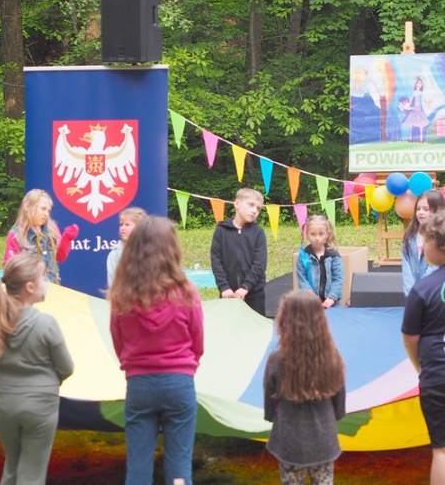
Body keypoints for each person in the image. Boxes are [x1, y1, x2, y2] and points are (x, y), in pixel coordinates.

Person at [109, 216, 204, 485]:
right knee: (179, 469)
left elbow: (118, 340)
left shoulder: (122, 293)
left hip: (138, 384)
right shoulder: (187, 292)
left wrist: (133, 365)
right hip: (179, 383)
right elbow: (198, 342)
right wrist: (185, 367)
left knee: (137, 469)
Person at [0, 252, 74, 485]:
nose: (47, 282)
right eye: (44, 277)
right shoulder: (46, 323)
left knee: (12, 466)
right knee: (32, 474)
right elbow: (66, 367)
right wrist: (50, 380)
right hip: (41, 406)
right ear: (30, 287)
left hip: (5, 403)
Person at [264, 290, 346, 485]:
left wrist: (271, 417)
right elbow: (339, 401)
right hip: (324, 440)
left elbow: (270, 400)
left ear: (285, 321)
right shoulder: (332, 357)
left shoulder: (277, 360)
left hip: (289, 442)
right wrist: (333, 416)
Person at [402, 209, 445, 485]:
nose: (422, 246)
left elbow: (410, 338)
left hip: (437, 377)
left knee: (441, 449)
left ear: (440, 246)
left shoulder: (423, 289)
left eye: (426, 240)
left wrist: (422, 368)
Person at [210, 187, 267, 316]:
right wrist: (224, 287)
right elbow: (216, 260)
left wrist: (246, 287)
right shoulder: (221, 230)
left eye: (258, 208)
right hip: (228, 294)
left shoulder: (258, 232)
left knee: (254, 326)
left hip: (254, 294)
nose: (254, 211)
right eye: (251, 205)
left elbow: (260, 263)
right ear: (237, 204)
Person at [3, 189, 79, 284]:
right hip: (29, 289)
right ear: (27, 206)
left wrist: (67, 239)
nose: (46, 214)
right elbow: (9, 266)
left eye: (48, 210)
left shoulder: (52, 229)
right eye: (43, 209)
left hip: (53, 287)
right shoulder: (16, 234)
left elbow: (60, 257)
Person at [402, 189, 445, 297]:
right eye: (418, 209)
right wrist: (411, 293)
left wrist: (421, 289)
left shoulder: (440, 237)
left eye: (426, 209)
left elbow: (434, 267)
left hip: (435, 295)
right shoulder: (410, 236)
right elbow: (406, 268)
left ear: (438, 211)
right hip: (414, 294)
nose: (420, 212)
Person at [295, 215, 343, 308]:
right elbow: (302, 279)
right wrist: (311, 297)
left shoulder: (334, 256)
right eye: (313, 234)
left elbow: (338, 279)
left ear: (327, 234)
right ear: (307, 234)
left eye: (321, 234)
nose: (317, 238)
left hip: (332, 304)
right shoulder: (303, 257)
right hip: (310, 303)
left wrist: (331, 298)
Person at [106, 206, 147, 287]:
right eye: (121, 225)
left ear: (139, 227)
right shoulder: (115, 254)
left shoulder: (152, 250)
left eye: (127, 225)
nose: (123, 228)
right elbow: (113, 284)